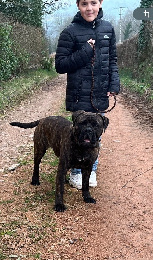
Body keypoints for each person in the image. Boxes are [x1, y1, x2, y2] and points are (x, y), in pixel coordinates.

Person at [55, 0, 120, 189]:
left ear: (100, 3)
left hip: (100, 94)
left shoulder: (108, 29)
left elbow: (113, 60)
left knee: (95, 135)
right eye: (84, 3)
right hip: (78, 96)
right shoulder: (70, 32)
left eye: (93, 2)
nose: (89, 8)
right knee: (79, 134)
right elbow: (60, 65)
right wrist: (85, 51)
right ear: (78, 5)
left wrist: (114, 83)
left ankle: (90, 170)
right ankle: (76, 172)